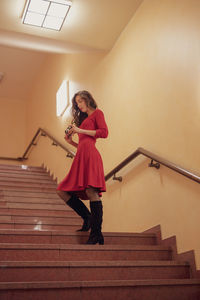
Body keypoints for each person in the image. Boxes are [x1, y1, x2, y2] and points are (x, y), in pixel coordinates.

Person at [57, 90, 108, 245]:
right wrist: (70, 142)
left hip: (91, 156)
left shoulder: (97, 113)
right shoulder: (84, 118)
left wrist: (79, 130)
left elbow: (104, 133)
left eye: (80, 101)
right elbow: (82, 144)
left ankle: (96, 234)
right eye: (77, 103)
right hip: (81, 156)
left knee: (91, 191)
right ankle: (87, 218)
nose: (78, 105)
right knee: (62, 190)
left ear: (88, 99)